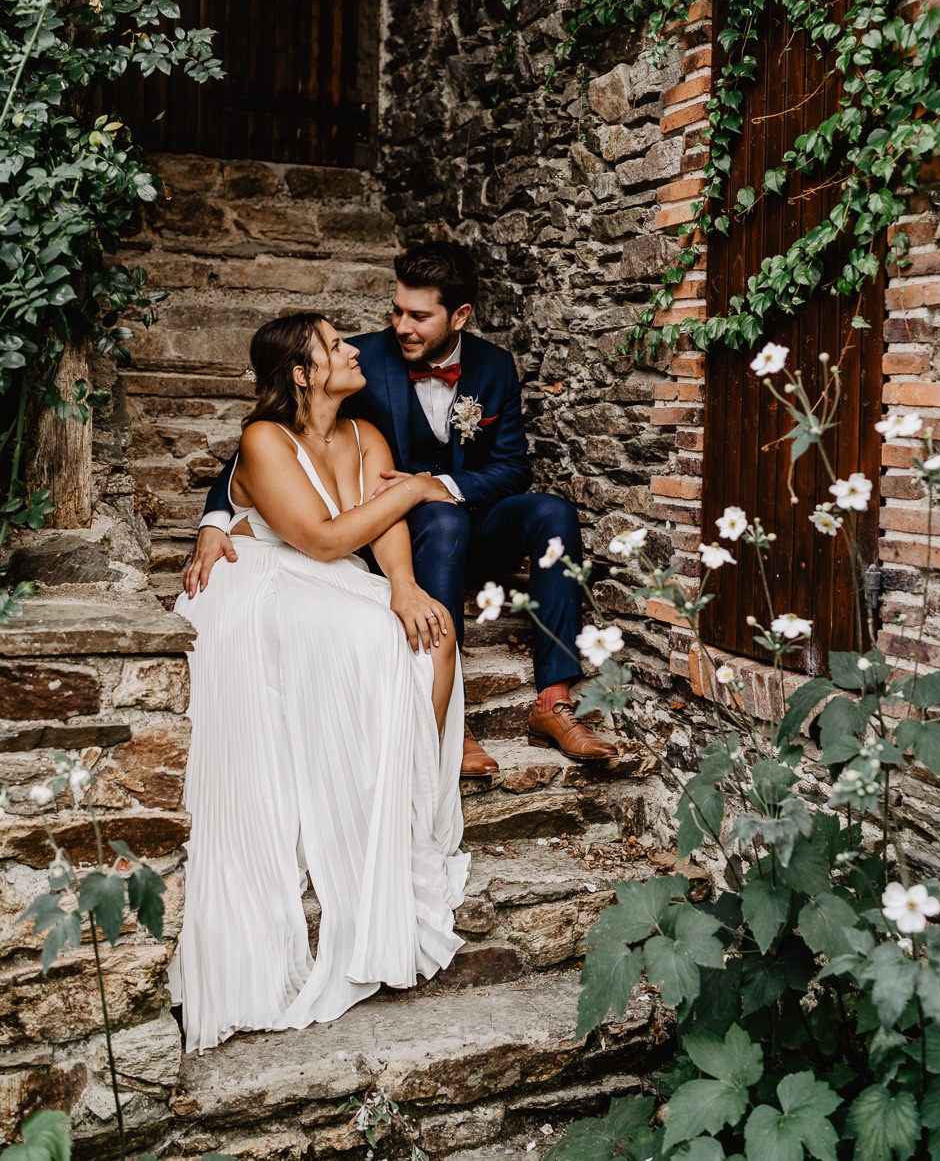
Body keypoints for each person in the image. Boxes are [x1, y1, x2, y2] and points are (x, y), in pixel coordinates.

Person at [187, 241, 616, 773]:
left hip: (467, 519)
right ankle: (451, 715)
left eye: (418, 315)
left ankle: (554, 701)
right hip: (406, 533)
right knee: (439, 517)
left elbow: (512, 468)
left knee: (553, 514)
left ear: (459, 315)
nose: (401, 326)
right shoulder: (361, 361)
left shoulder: (495, 366)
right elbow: (263, 444)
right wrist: (215, 517)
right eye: (396, 311)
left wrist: (436, 483)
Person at [171, 312, 469, 1054]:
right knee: (370, 640)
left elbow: (380, 531)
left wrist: (403, 585)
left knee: (430, 639)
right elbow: (327, 537)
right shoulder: (264, 439)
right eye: (335, 345)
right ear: (301, 373)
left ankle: (406, 815)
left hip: (331, 579)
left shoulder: (366, 435)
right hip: (263, 579)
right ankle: (362, 809)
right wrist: (420, 487)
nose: (353, 350)